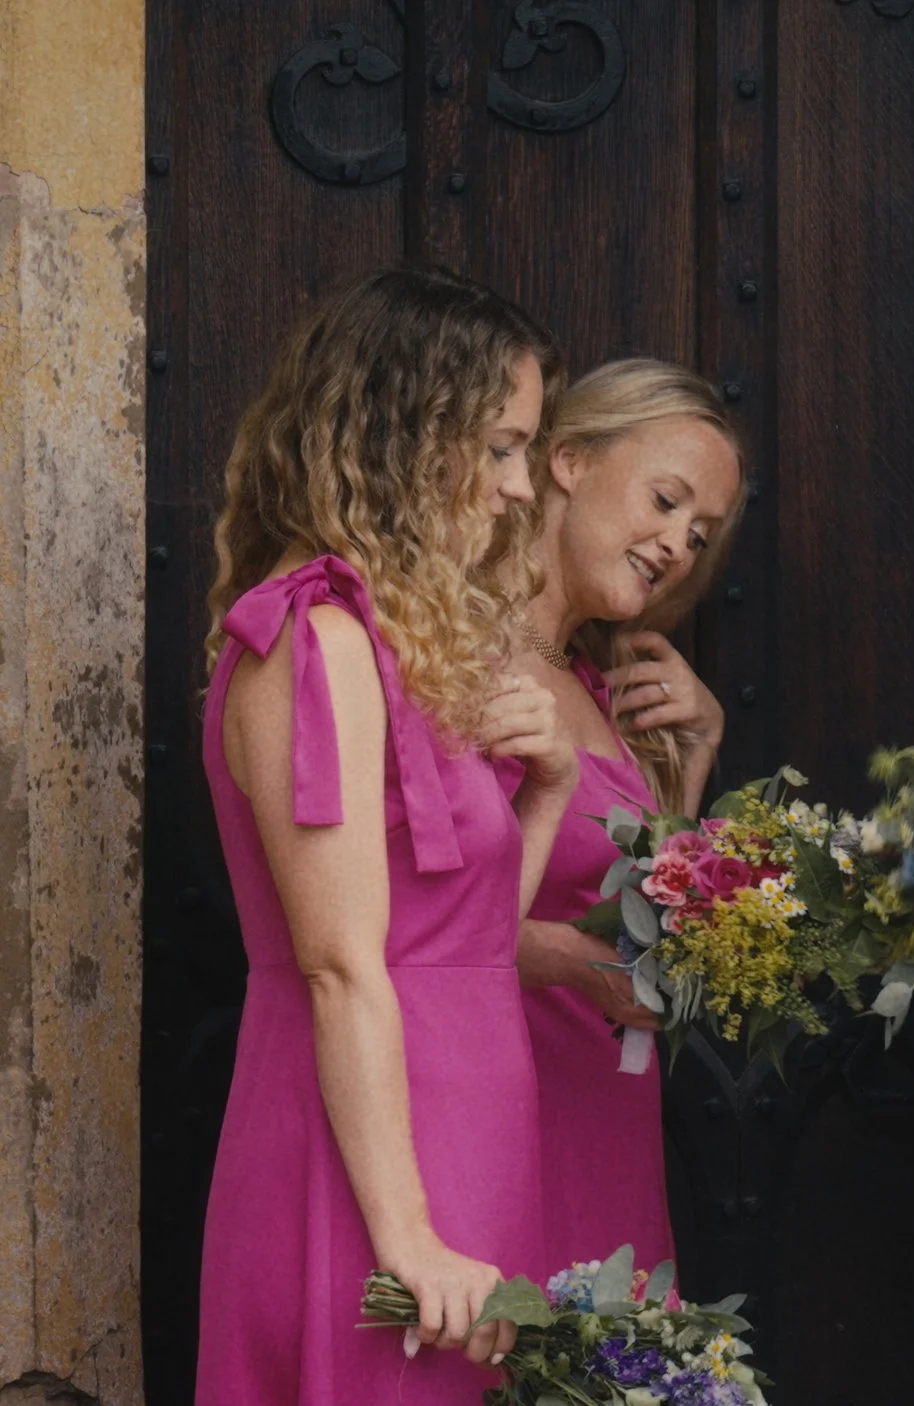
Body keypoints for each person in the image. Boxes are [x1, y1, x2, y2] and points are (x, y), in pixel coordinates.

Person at [196, 266, 571, 1402]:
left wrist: (546, 790)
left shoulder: (395, 644)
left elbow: (464, 947)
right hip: (368, 1161)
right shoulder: (313, 637)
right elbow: (339, 963)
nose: (518, 488)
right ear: (412, 437)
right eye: (501, 446)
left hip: (463, 1132)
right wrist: (404, 1232)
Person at [506, 358, 744, 1277]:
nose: (679, 543)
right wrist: (567, 956)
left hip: (607, 1111)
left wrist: (691, 767)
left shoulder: (603, 691)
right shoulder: (451, 659)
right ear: (566, 458)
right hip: (499, 1104)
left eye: (700, 532)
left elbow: (654, 944)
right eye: (666, 499)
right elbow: (395, 922)